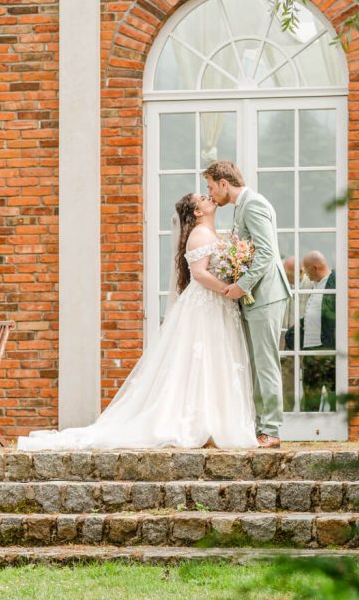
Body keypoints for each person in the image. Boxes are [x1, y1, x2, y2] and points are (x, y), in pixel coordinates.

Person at [17, 194, 258, 451]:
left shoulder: (212, 233)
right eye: (203, 197)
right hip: (206, 304)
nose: (209, 197)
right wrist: (228, 289)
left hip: (217, 305)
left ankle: (213, 421)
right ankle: (199, 422)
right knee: (199, 359)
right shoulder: (199, 234)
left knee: (214, 359)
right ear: (197, 212)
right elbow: (198, 274)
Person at [204, 160, 291, 448]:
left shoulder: (253, 204)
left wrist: (242, 285)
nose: (211, 193)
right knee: (255, 363)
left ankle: (271, 430)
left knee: (265, 363)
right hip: (256, 297)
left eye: (211, 187)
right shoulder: (242, 207)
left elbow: (266, 253)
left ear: (224, 183)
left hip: (266, 296)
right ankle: (259, 427)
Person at [285, 251, 336, 411]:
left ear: (315, 268)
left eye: (306, 270)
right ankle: (310, 432)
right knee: (310, 402)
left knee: (333, 398)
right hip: (310, 353)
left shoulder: (333, 283)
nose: (305, 274)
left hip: (326, 352)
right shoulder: (316, 284)